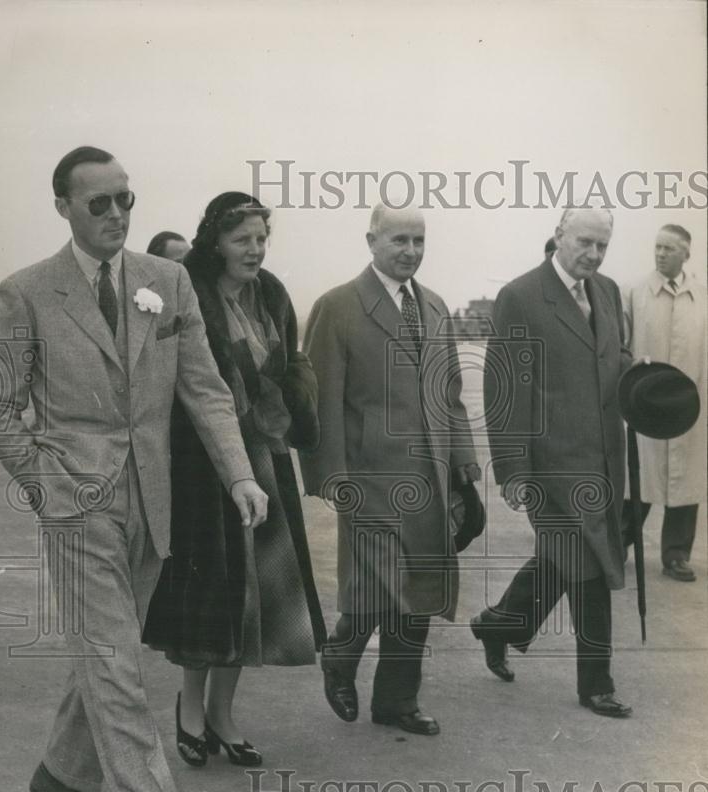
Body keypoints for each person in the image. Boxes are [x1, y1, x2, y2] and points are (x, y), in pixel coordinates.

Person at [0, 147, 268, 792]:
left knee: (108, 655)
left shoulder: (165, 283)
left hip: (154, 502)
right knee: (117, 669)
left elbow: (203, 389)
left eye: (125, 201)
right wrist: (45, 486)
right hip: (78, 507)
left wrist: (239, 472)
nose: (115, 216)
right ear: (63, 206)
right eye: (98, 203)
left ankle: (61, 773)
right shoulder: (26, 293)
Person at [143, 192, 326, 767]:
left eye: (261, 238)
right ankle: (191, 710)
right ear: (215, 241)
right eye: (242, 239)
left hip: (266, 462)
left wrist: (296, 407)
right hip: (203, 467)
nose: (254, 249)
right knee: (210, 597)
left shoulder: (271, 291)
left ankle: (223, 716)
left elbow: (292, 359)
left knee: (257, 602)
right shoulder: (187, 288)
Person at [299, 204, 479, 736]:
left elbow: (451, 397)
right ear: (371, 241)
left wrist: (465, 465)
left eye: (419, 241)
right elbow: (320, 399)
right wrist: (328, 475)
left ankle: (397, 701)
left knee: (419, 589)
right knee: (381, 586)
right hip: (369, 478)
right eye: (399, 240)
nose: (411, 252)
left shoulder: (436, 307)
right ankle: (341, 654)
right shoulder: (338, 306)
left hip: (432, 478)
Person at [472, 207, 633, 718]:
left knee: (565, 562)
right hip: (552, 468)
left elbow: (612, 359)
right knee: (588, 568)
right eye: (584, 242)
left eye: (602, 246)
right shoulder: (520, 297)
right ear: (559, 235)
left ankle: (497, 624)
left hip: (604, 460)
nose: (593, 254)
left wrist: (642, 377)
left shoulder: (606, 291)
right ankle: (596, 683)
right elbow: (503, 390)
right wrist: (514, 470)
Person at [621, 225, 707, 582]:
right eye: (657, 247)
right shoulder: (635, 293)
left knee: (686, 480)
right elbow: (621, 345)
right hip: (648, 400)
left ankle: (676, 555)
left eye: (669, 249)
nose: (660, 254)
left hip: (691, 402)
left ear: (686, 254)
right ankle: (617, 545)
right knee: (639, 477)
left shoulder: (702, 295)